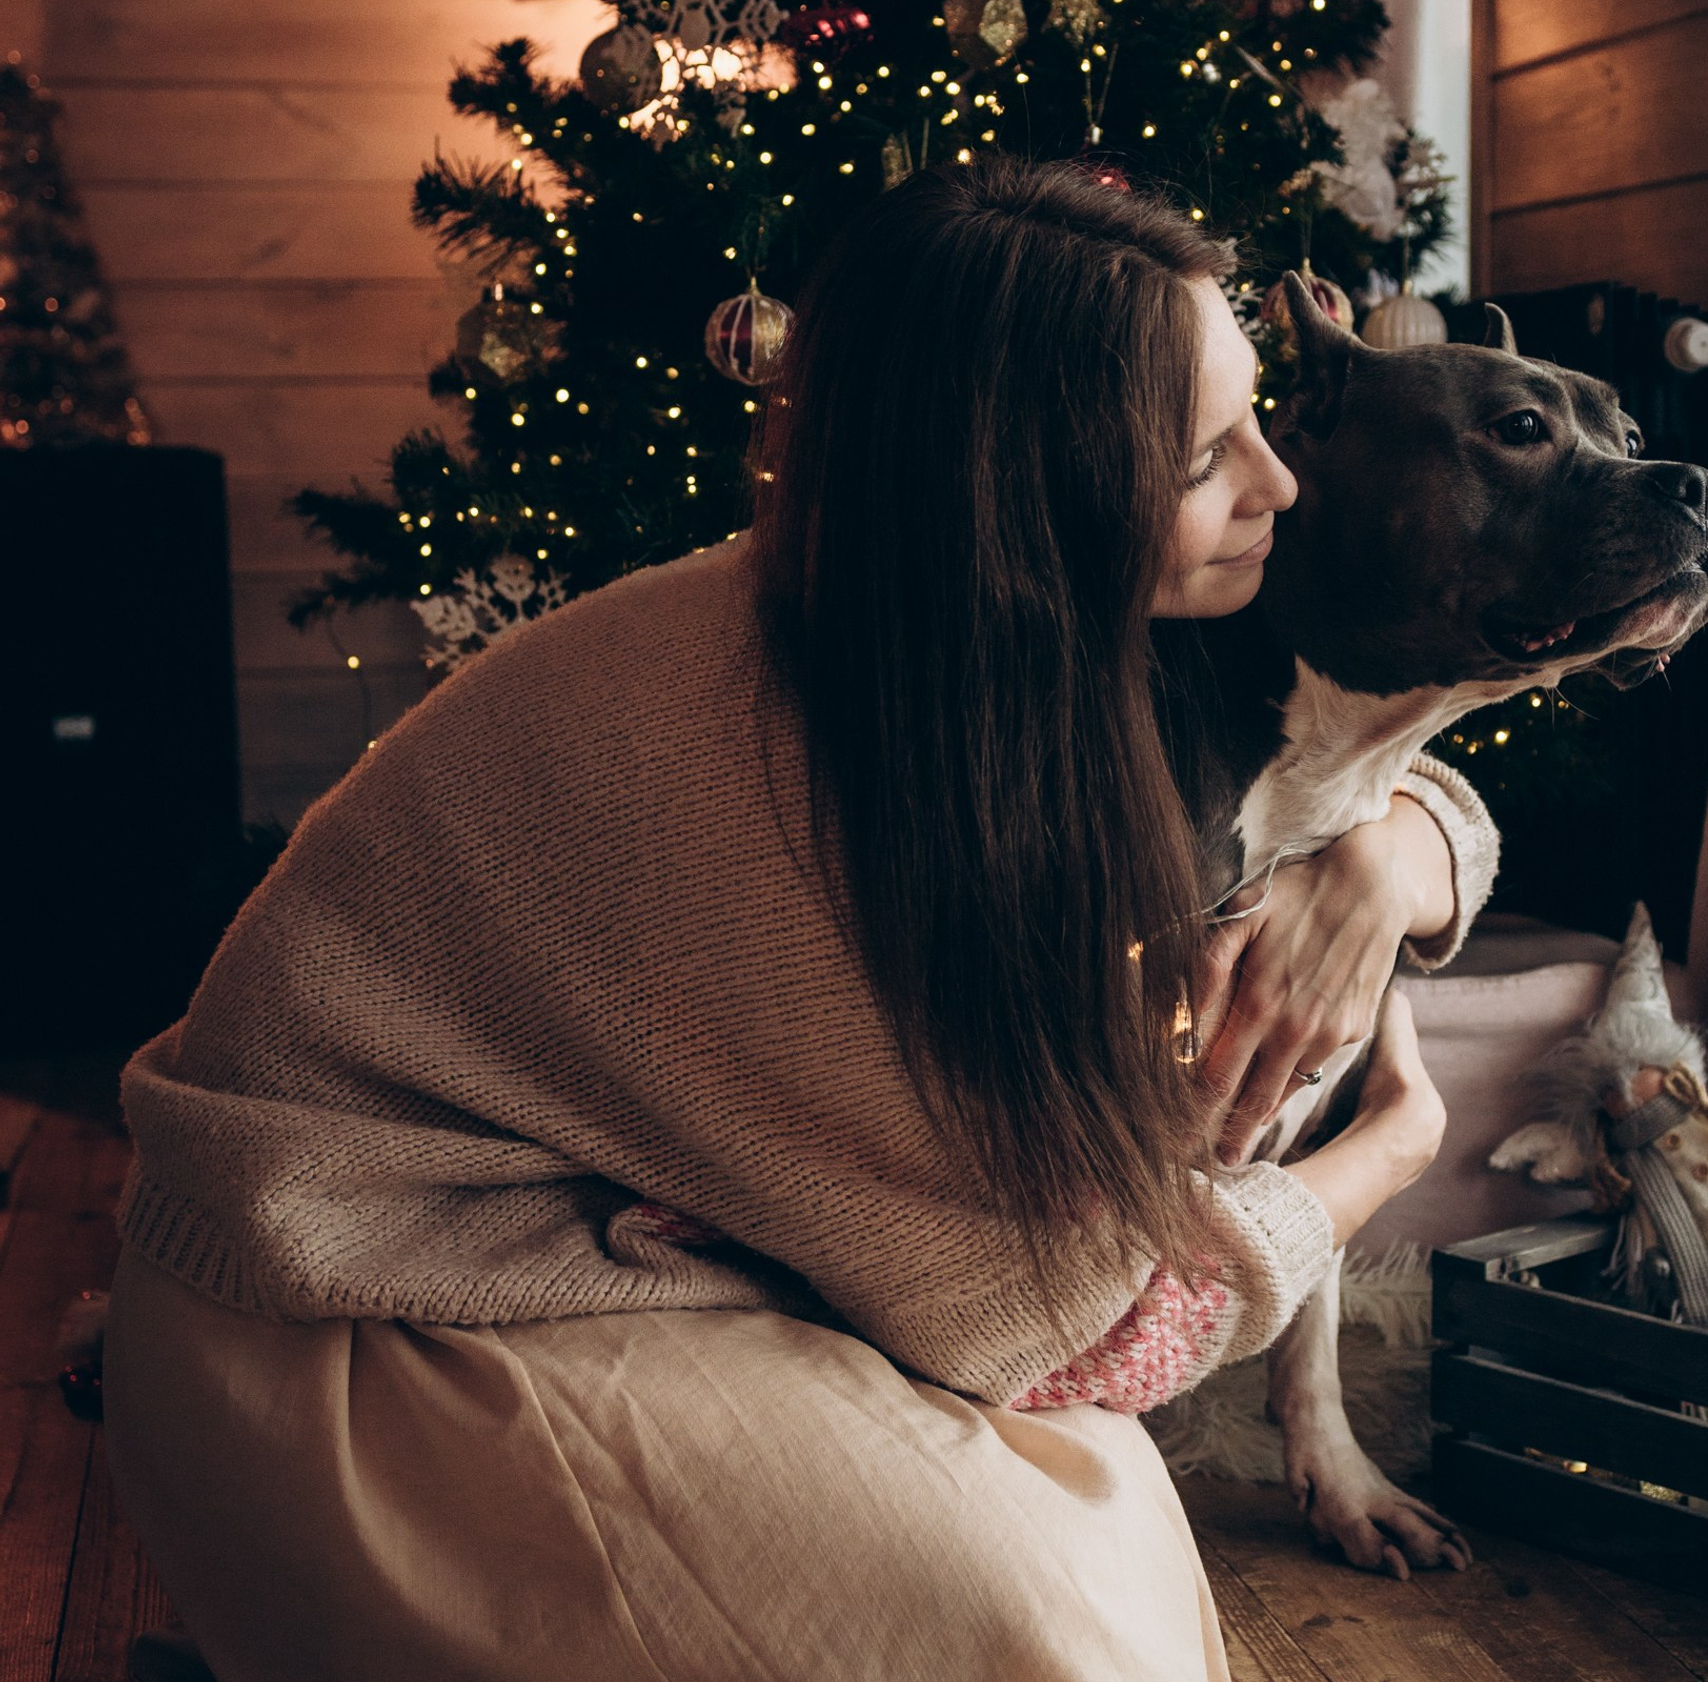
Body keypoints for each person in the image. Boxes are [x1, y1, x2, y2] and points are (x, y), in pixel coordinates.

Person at [105, 159, 1495, 1682]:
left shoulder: (988, 624)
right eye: (1207, 456)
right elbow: (1051, 1341)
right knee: (1045, 1609)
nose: (1279, 487)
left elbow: (1391, 771)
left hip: (576, 1241)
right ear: (1030, 487)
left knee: (1088, 1540)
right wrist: (1379, 1158)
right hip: (341, 1316)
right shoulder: (827, 765)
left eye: (1263, 424)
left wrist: (1396, 859)